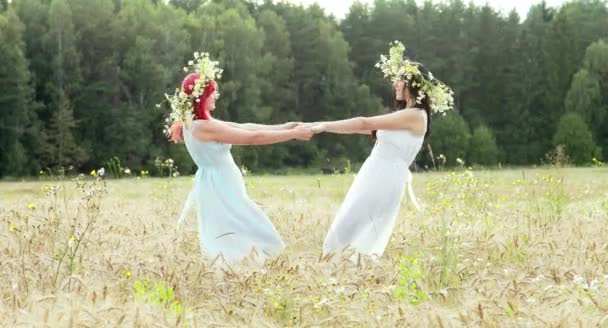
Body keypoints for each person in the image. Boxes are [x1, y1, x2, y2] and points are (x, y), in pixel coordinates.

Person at [311, 41, 453, 258]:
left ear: (412, 84)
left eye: (400, 80)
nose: (395, 84)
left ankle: (341, 274)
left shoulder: (415, 115)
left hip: (384, 178)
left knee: (345, 235)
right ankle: (344, 276)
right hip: (374, 174)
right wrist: (328, 129)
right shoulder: (405, 115)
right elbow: (365, 130)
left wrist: (324, 126)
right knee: (346, 233)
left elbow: (364, 123)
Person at [167, 68, 314, 263]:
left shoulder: (194, 122)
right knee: (252, 224)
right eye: (212, 93)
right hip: (221, 184)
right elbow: (251, 138)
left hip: (215, 183)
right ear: (202, 98)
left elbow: (245, 127)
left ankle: (244, 264)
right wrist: (292, 135)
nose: (216, 96)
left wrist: (286, 126)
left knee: (234, 224)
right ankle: (265, 262)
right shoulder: (203, 127)